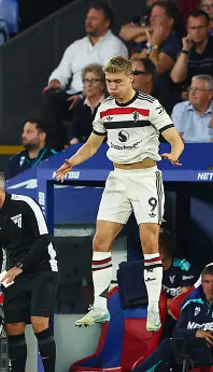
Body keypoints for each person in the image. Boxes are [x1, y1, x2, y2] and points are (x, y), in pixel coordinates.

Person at [55, 56, 185, 332]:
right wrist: (72, 162)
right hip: (118, 178)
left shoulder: (149, 106)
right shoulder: (104, 109)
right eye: (108, 82)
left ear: (130, 79)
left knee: (150, 242)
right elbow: (92, 146)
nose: (112, 87)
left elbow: (175, 137)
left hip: (146, 177)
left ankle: (153, 308)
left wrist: (174, 153)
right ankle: (100, 308)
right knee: (100, 241)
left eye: (116, 81)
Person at [0, 168, 59, 372]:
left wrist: (19, 267)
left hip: (42, 270)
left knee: (39, 322)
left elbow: (43, 239)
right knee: (13, 327)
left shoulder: (26, 204)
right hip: (14, 276)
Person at [106, 265, 213, 372]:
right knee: (162, 363)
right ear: (201, 284)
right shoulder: (191, 304)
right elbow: (177, 332)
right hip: (188, 351)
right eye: (206, 282)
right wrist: (195, 333)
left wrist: (188, 336)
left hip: (210, 355)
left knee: (168, 345)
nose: (210, 287)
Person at [42, 4, 127, 149]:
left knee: (83, 104)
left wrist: (83, 95)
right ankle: (55, 150)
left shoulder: (115, 46)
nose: (88, 22)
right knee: (52, 101)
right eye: (87, 18)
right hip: (73, 94)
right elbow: (62, 72)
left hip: (99, 94)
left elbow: (111, 78)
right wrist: (56, 81)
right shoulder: (76, 46)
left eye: (94, 18)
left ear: (106, 23)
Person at [170, 10, 213, 97]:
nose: (196, 32)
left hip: (212, 99)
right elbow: (176, 78)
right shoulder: (183, 49)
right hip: (188, 101)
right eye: (193, 28)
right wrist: (185, 50)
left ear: (209, 27)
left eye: (200, 27)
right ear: (187, 29)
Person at [171, 74, 213, 143]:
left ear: (210, 94)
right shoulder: (179, 108)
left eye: (197, 90)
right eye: (191, 88)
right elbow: (176, 139)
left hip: (211, 151)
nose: (192, 93)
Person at [69, 64, 106, 145]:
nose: (89, 85)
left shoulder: (111, 105)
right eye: (86, 80)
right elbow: (74, 131)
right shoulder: (79, 105)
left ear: (103, 85)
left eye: (94, 80)